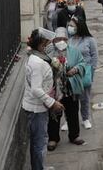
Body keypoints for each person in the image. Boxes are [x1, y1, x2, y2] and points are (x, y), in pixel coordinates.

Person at [23, 29, 64, 170]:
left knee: (38, 140)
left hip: (39, 107)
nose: (50, 45)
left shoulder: (38, 57)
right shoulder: (37, 63)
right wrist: (52, 103)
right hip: (36, 108)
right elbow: (36, 88)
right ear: (41, 44)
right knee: (39, 142)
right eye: (48, 42)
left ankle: (39, 166)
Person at [46, 27, 88, 150]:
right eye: (58, 39)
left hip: (71, 88)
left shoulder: (74, 51)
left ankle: (74, 135)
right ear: (54, 40)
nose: (61, 41)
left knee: (73, 112)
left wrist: (75, 69)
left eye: (64, 39)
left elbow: (82, 63)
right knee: (54, 114)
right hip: (55, 89)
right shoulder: (49, 53)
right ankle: (53, 138)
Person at [67, 17, 98, 129]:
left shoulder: (89, 40)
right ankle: (68, 120)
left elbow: (94, 56)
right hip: (71, 72)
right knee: (70, 98)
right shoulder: (69, 40)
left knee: (84, 97)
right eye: (69, 26)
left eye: (72, 26)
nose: (70, 28)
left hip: (85, 72)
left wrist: (92, 70)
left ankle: (85, 118)